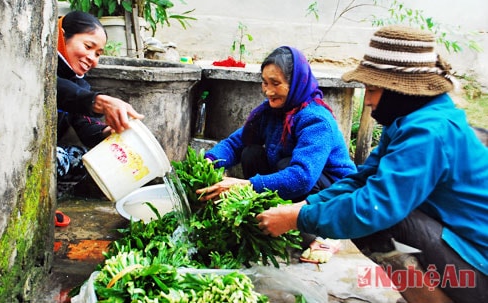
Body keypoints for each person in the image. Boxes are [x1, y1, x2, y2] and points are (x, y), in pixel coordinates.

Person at [256, 26, 488, 303]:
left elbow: (374, 207)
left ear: (399, 90)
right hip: (460, 251)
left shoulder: (429, 132)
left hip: (479, 270)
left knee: (380, 221)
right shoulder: (409, 121)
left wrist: (296, 220)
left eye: (374, 90)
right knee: (370, 208)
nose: (368, 101)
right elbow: (364, 178)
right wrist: (303, 207)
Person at [197, 46, 356, 203]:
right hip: (298, 181)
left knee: (286, 164)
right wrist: (210, 161)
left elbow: (302, 177)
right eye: (265, 83)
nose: (268, 91)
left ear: (295, 83)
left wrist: (246, 185)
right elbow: (235, 144)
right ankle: (267, 212)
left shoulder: (316, 120)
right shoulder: (271, 111)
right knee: (251, 153)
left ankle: (301, 224)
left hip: (336, 195)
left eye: (275, 83)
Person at [56, 11, 144, 223]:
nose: (92, 59)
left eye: (98, 53)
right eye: (88, 47)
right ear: (62, 36)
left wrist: (110, 131)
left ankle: (45, 205)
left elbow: (85, 126)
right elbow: (55, 87)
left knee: (80, 159)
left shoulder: (79, 82)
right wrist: (100, 102)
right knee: (59, 158)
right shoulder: (38, 67)